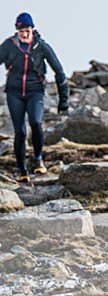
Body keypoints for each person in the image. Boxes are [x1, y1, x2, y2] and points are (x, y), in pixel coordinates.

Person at [0, 13, 68, 183]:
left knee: (36, 123)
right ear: (17, 30)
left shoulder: (41, 46)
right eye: (21, 30)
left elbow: (59, 71)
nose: (24, 34)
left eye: (27, 30)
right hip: (14, 93)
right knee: (20, 132)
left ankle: (38, 158)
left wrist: (63, 99)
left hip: (35, 92)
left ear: (32, 29)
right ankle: (22, 170)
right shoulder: (9, 45)